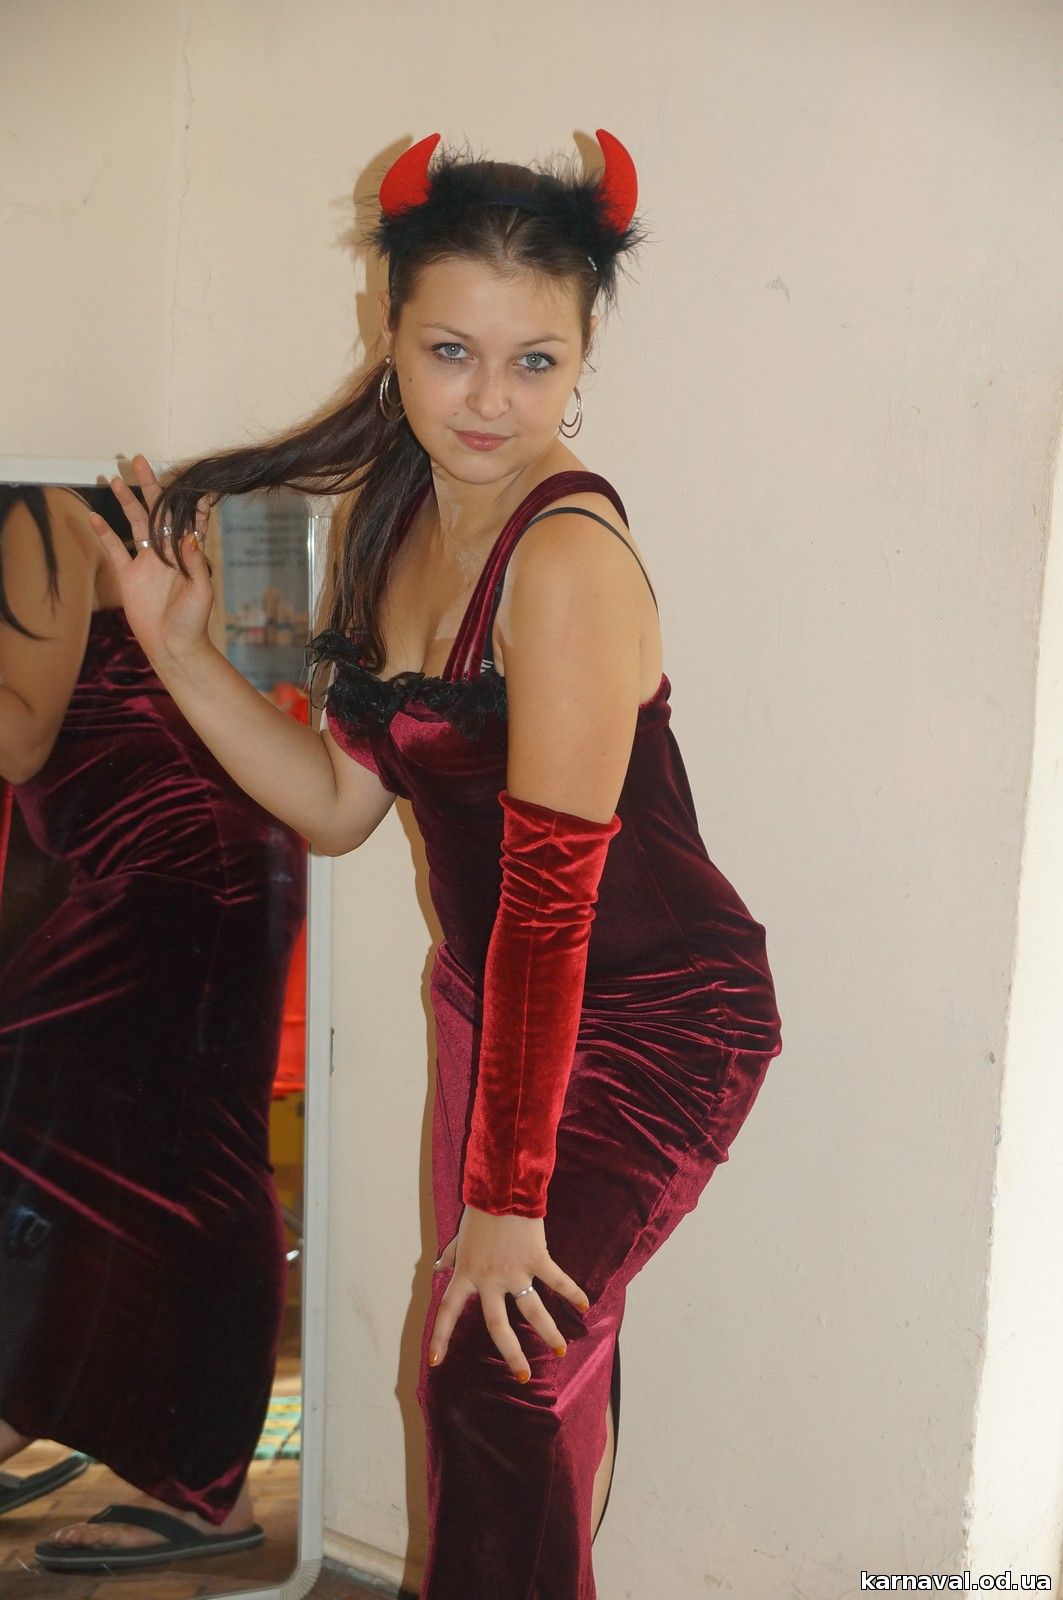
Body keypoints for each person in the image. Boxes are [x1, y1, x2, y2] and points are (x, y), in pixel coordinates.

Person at [75, 128, 784, 1596]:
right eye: (452, 351)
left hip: (652, 1017)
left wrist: (506, 1202)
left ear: (582, 359)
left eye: (535, 361)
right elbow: (339, 807)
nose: (489, 400)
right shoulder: (388, 517)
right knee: (526, 1374)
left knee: (488, 1372)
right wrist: (180, 655)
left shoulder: (563, 560)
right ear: (387, 333)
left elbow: (550, 908)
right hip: (493, 1004)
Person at [0, 484, 305, 1568]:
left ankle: (205, 1489)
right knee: (123, 1148)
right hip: (164, 856)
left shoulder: (33, 505)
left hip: (183, 862)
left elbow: (20, 735)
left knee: (190, 1156)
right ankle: (40, 1409)